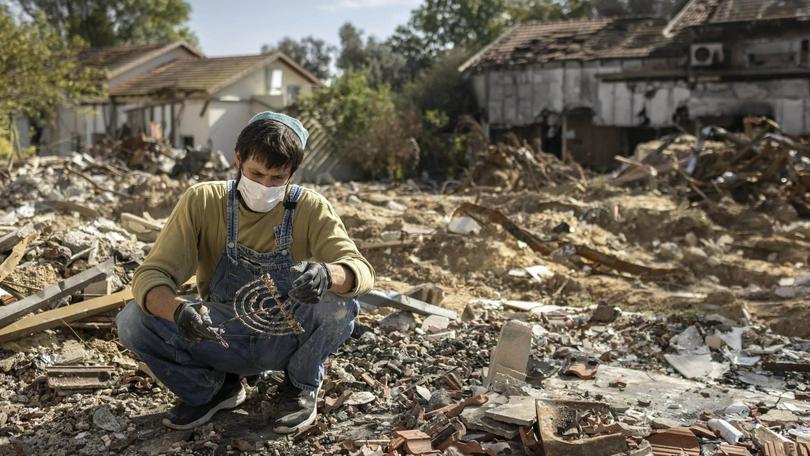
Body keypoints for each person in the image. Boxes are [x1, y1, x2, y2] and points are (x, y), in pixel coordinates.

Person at [115, 111, 374, 433]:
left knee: (338, 305)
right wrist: (178, 311)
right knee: (132, 320)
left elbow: (360, 269)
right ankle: (213, 389)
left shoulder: (311, 208)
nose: (265, 185)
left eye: (277, 178)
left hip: (285, 334)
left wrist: (328, 273)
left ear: (293, 172)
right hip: (221, 331)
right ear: (238, 159)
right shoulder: (203, 200)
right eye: (256, 173)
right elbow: (152, 273)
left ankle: (299, 387)